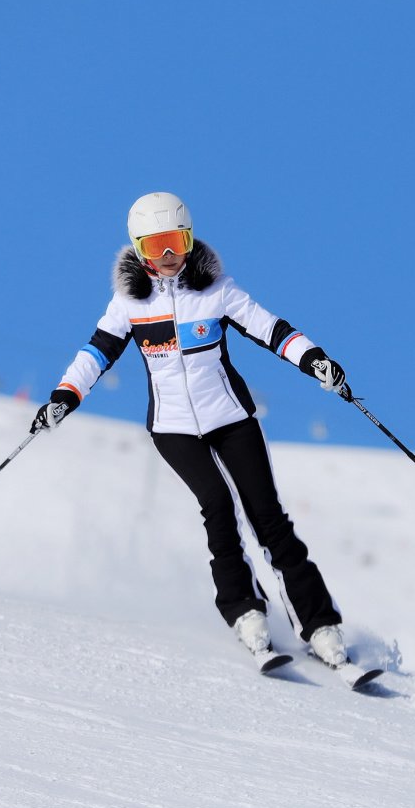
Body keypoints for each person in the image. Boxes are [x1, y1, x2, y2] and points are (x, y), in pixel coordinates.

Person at [31, 192, 354, 667]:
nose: (168, 258)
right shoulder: (129, 304)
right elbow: (94, 354)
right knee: (218, 506)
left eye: (177, 244)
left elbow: (271, 328)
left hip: (231, 418)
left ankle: (320, 624)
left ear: (189, 241)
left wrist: (315, 360)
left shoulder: (217, 290)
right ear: (139, 250)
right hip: (174, 428)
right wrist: (64, 397)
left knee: (268, 517)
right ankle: (244, 610)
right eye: (157, 246)